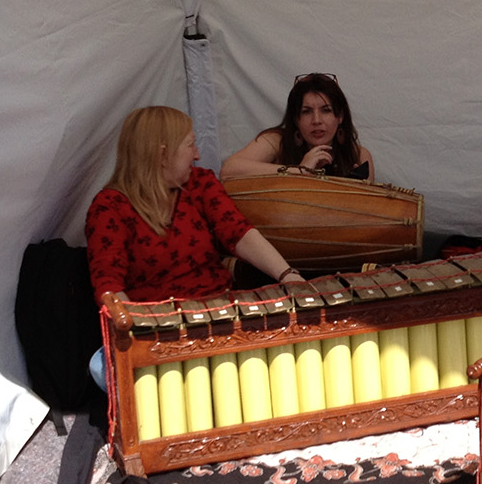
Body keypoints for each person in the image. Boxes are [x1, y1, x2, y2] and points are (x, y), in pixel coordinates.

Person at [85, 106, 301, 384]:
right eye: (190, 145)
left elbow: (238, 232)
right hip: (155, 332)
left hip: (218, 318)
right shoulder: (109, 207)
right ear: (163, 154)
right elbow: (109, 288)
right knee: (100, 367)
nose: (197, 154)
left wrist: (287, 275)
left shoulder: (200, 183)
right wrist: (145, 339)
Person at [221, 73, 374, 181]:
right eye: (306, 112)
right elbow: (229, 171)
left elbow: (372, 213)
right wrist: (299, 171)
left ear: (340, 116)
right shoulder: (276, 141)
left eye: (326, 110)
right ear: (295, 118)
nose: (316, 120)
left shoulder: (358, 155)